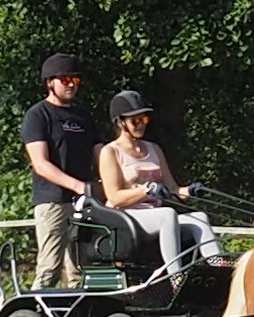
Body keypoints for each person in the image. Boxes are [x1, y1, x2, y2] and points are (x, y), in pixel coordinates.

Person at [95, 91, 225, 278]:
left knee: (200, 218)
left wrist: (190, 190)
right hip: (128, 217)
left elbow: (173, 189)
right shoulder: (110, 152)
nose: (141, 124)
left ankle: (219, 269)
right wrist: (146, 190)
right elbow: (114, 197)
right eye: (135, 121)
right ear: (120, 122)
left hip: (156, 216)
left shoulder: (154, 149)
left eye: (144, 119)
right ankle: (176, 276)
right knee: (168, 214)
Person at [20, 54, 100, 290]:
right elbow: (40, 163)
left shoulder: (84, 117)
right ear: (49, 82)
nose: (71, 84)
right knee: (50, 268)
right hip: (53, 201)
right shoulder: (38, 115)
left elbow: (101, 153)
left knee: (80, 271)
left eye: (75, 79)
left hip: (84, 202)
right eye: (65, 79)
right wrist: (77, 185)